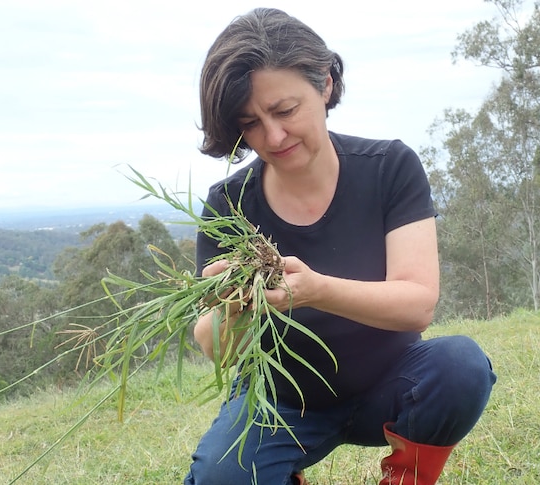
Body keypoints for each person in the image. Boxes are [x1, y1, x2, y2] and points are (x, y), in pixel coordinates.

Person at [183, 8, 496, 485]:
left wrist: (315, 290)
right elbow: (217, 348)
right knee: (220, 476)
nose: (274, 136)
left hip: (391, 384)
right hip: (283, 402)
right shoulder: (229, 203)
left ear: (325, 85)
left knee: (460, 366)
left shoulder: (389, 167)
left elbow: (417, 304)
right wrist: (232, 307)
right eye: (250, 123)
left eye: (285, 110)